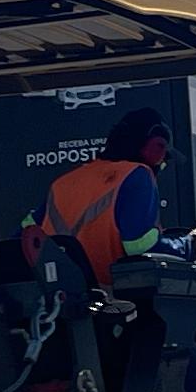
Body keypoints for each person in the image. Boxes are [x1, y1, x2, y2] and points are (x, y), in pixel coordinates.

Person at [45, 108, 172, 280]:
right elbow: (139, 248)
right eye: (161, 153)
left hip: (59, 292)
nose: (162, 164)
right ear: (149, 148)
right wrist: (188, 244)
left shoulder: (62, 183)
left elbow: (24, 238)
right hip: (113, 292)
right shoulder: (137, 174)